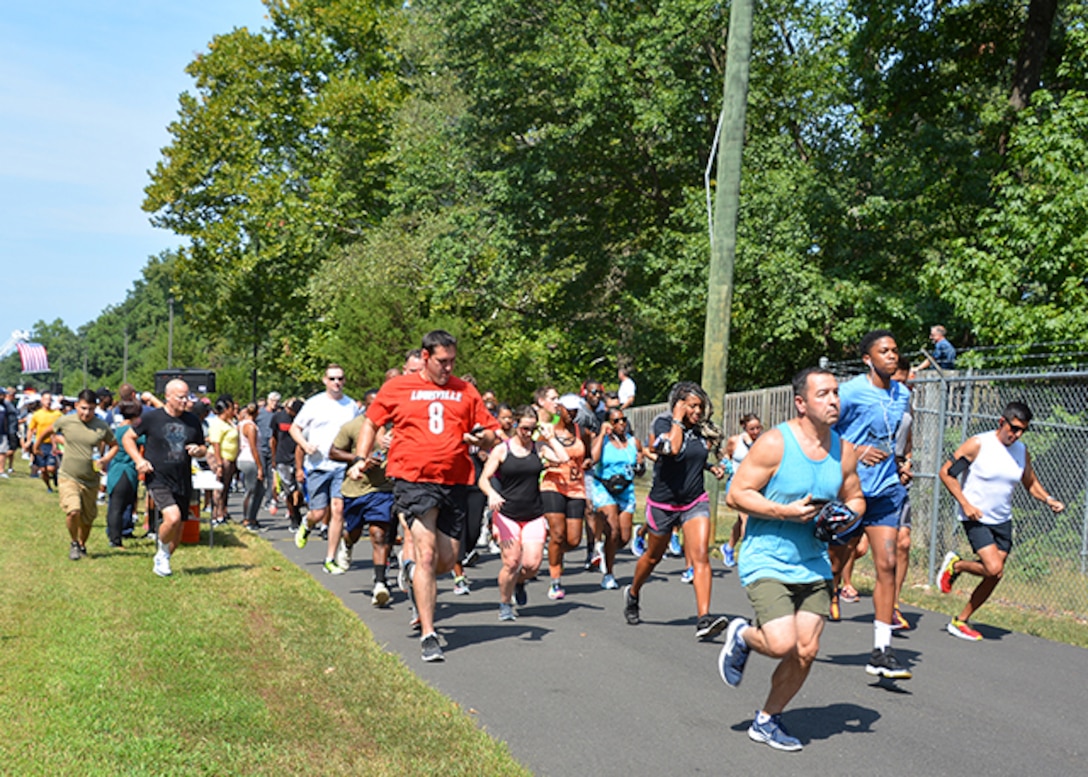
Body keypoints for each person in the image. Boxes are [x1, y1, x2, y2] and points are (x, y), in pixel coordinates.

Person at [718, 367, 865, 751]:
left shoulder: (844, 449)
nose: (834, 400)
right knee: (782, 643)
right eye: (823, 394)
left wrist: (849, 515)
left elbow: (855, 495)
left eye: (836, 392)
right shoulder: (774, 443)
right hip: (766, 555)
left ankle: (767, 720)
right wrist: (785, 512)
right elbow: (737, 494)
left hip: (813, 560)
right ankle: (743, 635)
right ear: (801, 402)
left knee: (807, 649)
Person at [355, 330, 500, 662]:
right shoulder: (397, 388)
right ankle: (429, 634)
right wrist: (362, 458)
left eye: (452, 361)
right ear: (424, 357)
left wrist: (480, 439)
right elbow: (371, 422)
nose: (448, 368)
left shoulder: (465, 391)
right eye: (441, 361)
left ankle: (411, 574)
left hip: (454, 480)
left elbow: (492, 433)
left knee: (447, 560)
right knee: (426, 553)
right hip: (413, 478)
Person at [937, 402, 1064, 640]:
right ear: (1001, 422)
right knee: (993, 567)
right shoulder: (979, 444)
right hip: (977, 517)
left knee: (995, 574)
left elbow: (1031, 483)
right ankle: (957, 565)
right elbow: (947, 473)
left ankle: (961, 620)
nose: (1016, 435)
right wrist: (965, 504)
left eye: (1022, 431)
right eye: (1013, 428)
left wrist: (1048, 499)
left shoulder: (1021, 451)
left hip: (1003, 520)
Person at [828, 330, 914, 680]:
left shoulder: (903, 393)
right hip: (851, 490)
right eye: (884, 351)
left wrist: (901, 462)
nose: (892, 356)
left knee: (888, 563)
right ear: (868, 359)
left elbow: (895, 436)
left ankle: (881, 649)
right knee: (836, 561)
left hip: (886, 491)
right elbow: (824, 432)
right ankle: (826, 592)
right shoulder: (848, 393)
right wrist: (858, 452)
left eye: (895, 350)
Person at [622, 381, 729, 640]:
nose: (697, 411)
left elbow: (693, 456)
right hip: (663, 503)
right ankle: (634, 592)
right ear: (678, 405)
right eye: (691, 406)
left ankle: (704, 618)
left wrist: (710, 467)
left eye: (700, 406)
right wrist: (678, 421)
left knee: (700, 555)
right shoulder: (663, 424)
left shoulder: (703, 430)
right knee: (653, 557)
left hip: (694, 501)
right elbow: (672, 449)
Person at [478, 405, 568, 621]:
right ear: (516, 425)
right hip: (507, 513)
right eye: (525, 428)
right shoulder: (502, 450)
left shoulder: (539, 449)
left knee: (532, 565)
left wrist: (551, 437)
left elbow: (563, 458)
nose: (528, 433)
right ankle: (505, 603)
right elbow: (483, 478)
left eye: (532, 429)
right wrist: (491, 494)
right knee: (511, 562)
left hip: (534, 514)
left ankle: (519, 582)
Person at [127, 380, 207, 577]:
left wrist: (198, 451)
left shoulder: (192, 420)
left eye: (187, 396)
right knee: (172, 518)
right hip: (158, 477)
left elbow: (203, 447)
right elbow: (128, 438)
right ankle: (162, 553)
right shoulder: (152, 418)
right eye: (181, 396)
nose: (185, 400)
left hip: (183, 478)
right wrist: (139, 460)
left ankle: (164, 557)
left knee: (178, 530)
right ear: (168, 396)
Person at [290, 365, 358, 574]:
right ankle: (307, 523)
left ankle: (330, 558)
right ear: (324, 380)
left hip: (341, 465)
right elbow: (295, 428)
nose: (336, 382)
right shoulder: (314, 404)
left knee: (338, 510)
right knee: (318, 513)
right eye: (332, 379)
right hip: (318, 465)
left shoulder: (351, 406)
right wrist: (305, 445)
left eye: (340, 378)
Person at [43, 389, 118, 560]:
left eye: (91, 409)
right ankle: (74, 542)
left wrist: (105, 459)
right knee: (73, 511)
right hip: (68, 476)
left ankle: (82, 544)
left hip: (91, 480)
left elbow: (114, 445)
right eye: (83, 408)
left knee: (87, 519)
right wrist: (35, 446)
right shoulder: (66, 420)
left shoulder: (101, 426)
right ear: (76, 405)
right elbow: (49, 431)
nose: (87, 412)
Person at [536, 387, 593, 601]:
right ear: (560, 409)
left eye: (576, 411)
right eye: (569, 411)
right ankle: (555, 581)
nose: (573, 414)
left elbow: (588, 454)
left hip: (576, 487)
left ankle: (553, 549)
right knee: (558, 534)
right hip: (553, 484)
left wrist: (588, 461)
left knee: (574, 539)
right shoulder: (548, 430)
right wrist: (547, 458)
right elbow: (539, 450)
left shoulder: (580, 432)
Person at [334, 415, 396, 606]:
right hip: (356, 490)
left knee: (379, 534)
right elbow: (333, 452)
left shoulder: (398, 426)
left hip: (384, 489)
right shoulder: (353, 426)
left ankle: (380, 583)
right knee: (354, 531)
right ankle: (347, 542)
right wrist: (360, 461)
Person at [588, 406, 644, 589]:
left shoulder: (633, 442)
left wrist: (640, 465)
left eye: (623, 420)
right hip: (603, 487)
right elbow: (594, 458)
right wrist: (602, 433)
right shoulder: (602, 441)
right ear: (608, 423)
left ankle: (605, 549)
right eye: (616, 421)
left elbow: (640, 465)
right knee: (612, 530)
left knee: (623, 538)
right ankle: (609, 574)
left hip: (626, 490)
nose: (621, 424)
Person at [720, 413, 764, 568]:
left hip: (754, 486)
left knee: (741, 520)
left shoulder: (763, 442)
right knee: (746, 519)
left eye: (758, 428)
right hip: (736, 485)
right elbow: (726, 454)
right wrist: (725, 465)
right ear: (744, 427)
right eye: (752, 428)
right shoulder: (735, 440)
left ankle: (728, 547)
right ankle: (750, 558)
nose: (755, 431)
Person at [100, 399, 143, 547]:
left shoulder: (118, 428)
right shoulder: (130, 431)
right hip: (125, 471)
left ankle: (116, 535)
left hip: (116, 469)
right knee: (117, 507)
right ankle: (115, 540)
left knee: (116, 505)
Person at [271, 397, 304, 531]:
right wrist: (274, 458)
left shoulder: (304, 420)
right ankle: (294, 517)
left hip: (300, 459)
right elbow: (273, 438)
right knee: (288, 491)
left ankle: (298, 509)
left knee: (300, 490)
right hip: (283, 458)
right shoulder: (279, 417)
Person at [236, 403, 266, 532]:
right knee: (251, 490)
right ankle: (247, 518)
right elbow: (253, 447)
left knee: (259, 491)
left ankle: (252, 517)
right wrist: (260, 467)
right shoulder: (250, 427)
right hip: (250, 459)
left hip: (244, 457)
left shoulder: (241, 424)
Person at [26, 391, 62, 492]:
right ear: (41, 401)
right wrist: (28, 441)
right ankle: (48, 486)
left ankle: (55, 474)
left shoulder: (57, 414)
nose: (48, 402)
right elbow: (31, 429)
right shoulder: (37, 414)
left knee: (50, 468)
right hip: (40, 444)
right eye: (46, 399)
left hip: (52, 444)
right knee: (43, 470)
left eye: (50, 400)